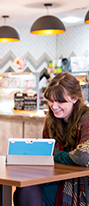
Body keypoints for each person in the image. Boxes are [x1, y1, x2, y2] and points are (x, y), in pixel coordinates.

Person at [14, 72, 89, 206]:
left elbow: (83, 156)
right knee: (24, 189)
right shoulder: (51, 120)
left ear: (75, 99)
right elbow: (46, 154)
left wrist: (57, 155)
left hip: (79, 183)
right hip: (55, 178)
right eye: (51, 100)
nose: (54, 106)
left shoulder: (86, 119)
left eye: (60, 101)